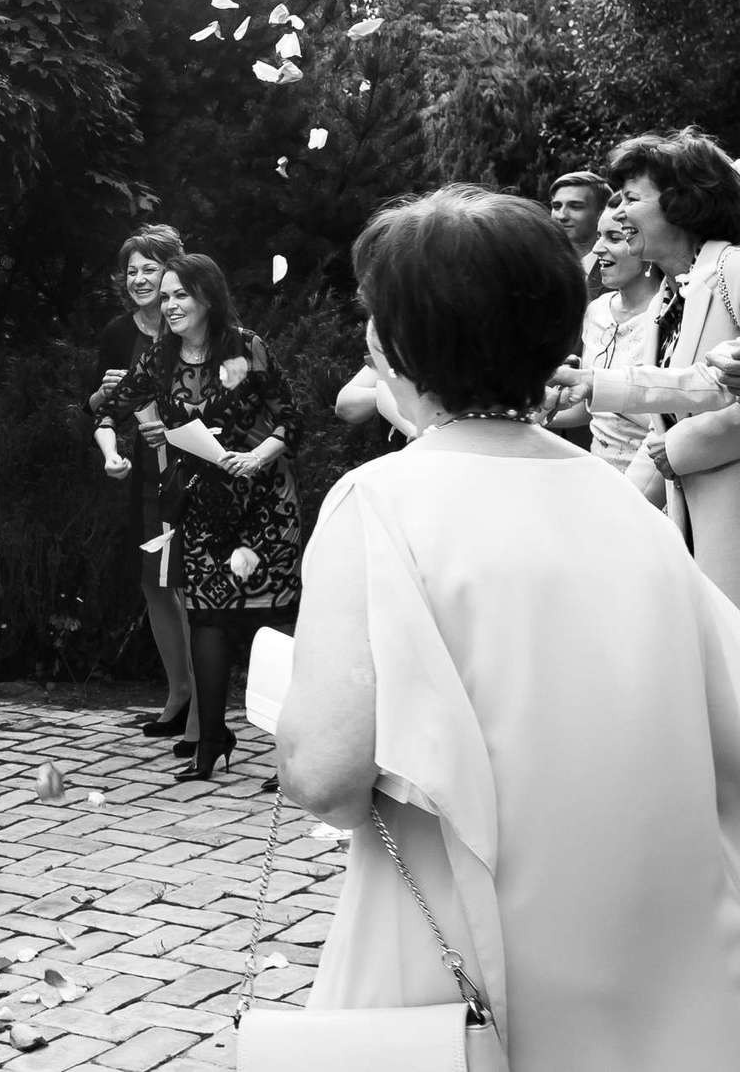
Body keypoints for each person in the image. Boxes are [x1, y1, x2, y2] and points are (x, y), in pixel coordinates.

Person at [277, 184, 740, 1070]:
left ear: (401, 342)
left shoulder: (379, 502)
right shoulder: (624, 502)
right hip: (647, 977)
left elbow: (327, 776)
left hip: (463, 980)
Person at [102, 254, 303, 786]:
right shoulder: (161, 356)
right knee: (207, 620)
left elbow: (291, 417)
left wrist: (256, 456)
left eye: (179, 295)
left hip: (264, 504)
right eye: (165, 296)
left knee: (273, 624)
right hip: (205, 506)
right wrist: (118, 439)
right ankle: (212, 739)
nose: (168, 305)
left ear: (207, 298)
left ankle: (295, 755)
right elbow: (111, 407)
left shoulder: (247, 346)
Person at [560, 130, 740, 603]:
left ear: (682, 203)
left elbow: (678, 433)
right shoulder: (667, 297)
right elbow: (663, 426)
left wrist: (687, 443)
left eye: (631, 199)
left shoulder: (732, 269)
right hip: (697, 527)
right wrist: (612, 523)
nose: (618, 212)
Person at [88, 224, 194, 745]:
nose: (140, 279)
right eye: (132, 271)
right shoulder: (116, 334)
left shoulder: (193, 325)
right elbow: (98, 407)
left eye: (150, 268)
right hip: (147, 473)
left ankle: (203, 703)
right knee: (156, 584)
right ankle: (179, 694)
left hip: (195, 469)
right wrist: (102, 398)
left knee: (192, 584)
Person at [545, 205, 661, 471]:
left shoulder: (668, 314)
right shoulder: (597, 310)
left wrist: (599, 387)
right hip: (600, 470)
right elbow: (589, 412)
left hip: (652, 474)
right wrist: (526, 412)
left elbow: (668, 420)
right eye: (599, 236)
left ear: (645, 247)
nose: (597, 248)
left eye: (614, 238)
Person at [548, 169, 609, 298]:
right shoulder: (541, 267)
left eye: (575, 206)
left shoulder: (621, 272)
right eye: (557, 206)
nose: (562, 216)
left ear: (602, 213)